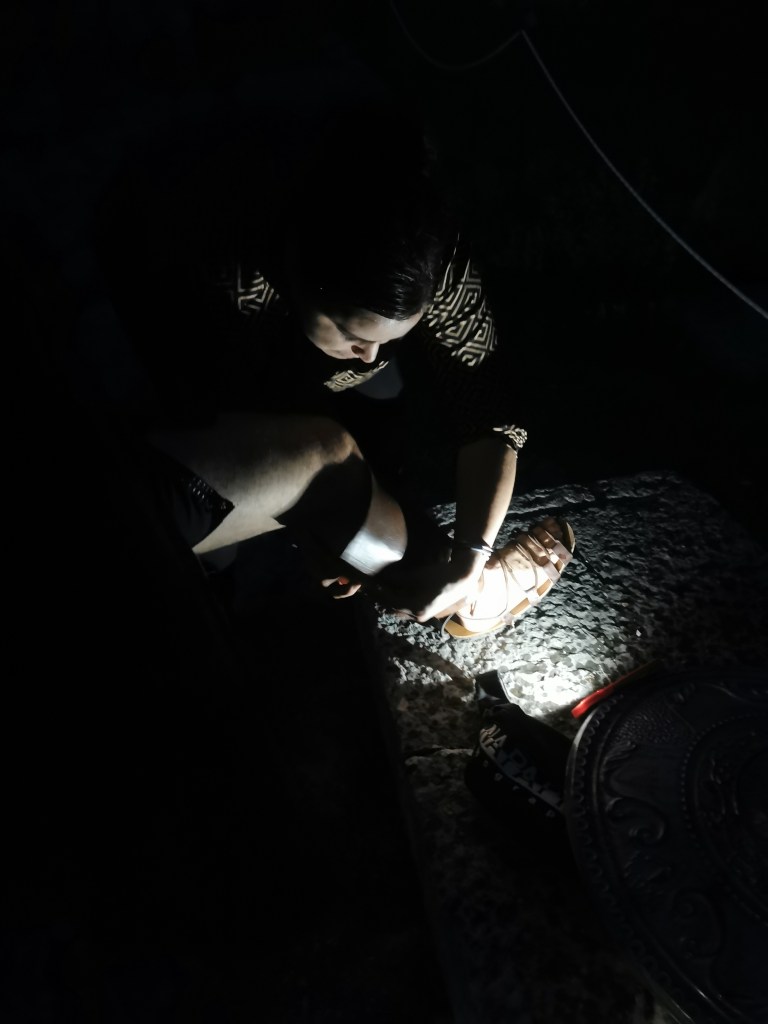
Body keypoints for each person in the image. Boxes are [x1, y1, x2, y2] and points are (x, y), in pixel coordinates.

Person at [95, 98, 576, 638]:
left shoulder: (425, 251)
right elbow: (229, 418)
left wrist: (471, 554)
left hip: (275, 359)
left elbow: (487, 408)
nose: (370, 353)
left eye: (392, 336)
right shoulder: (228, 271)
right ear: (300, 273)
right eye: (353, 334)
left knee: (378, 398)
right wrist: (313, 533)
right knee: (313, 479)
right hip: (179, 414)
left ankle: (460, 579)